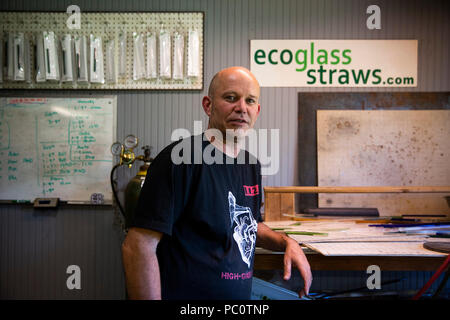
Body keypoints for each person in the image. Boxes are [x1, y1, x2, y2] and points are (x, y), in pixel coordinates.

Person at [121, 66, 312, 300]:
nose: (241, 108)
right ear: (208, 105)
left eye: (249, 101)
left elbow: (249, 224)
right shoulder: (180, 160)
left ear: (257, 110)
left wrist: (286, 242)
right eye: (231, 98)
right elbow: (138, 246)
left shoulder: (251, 165)